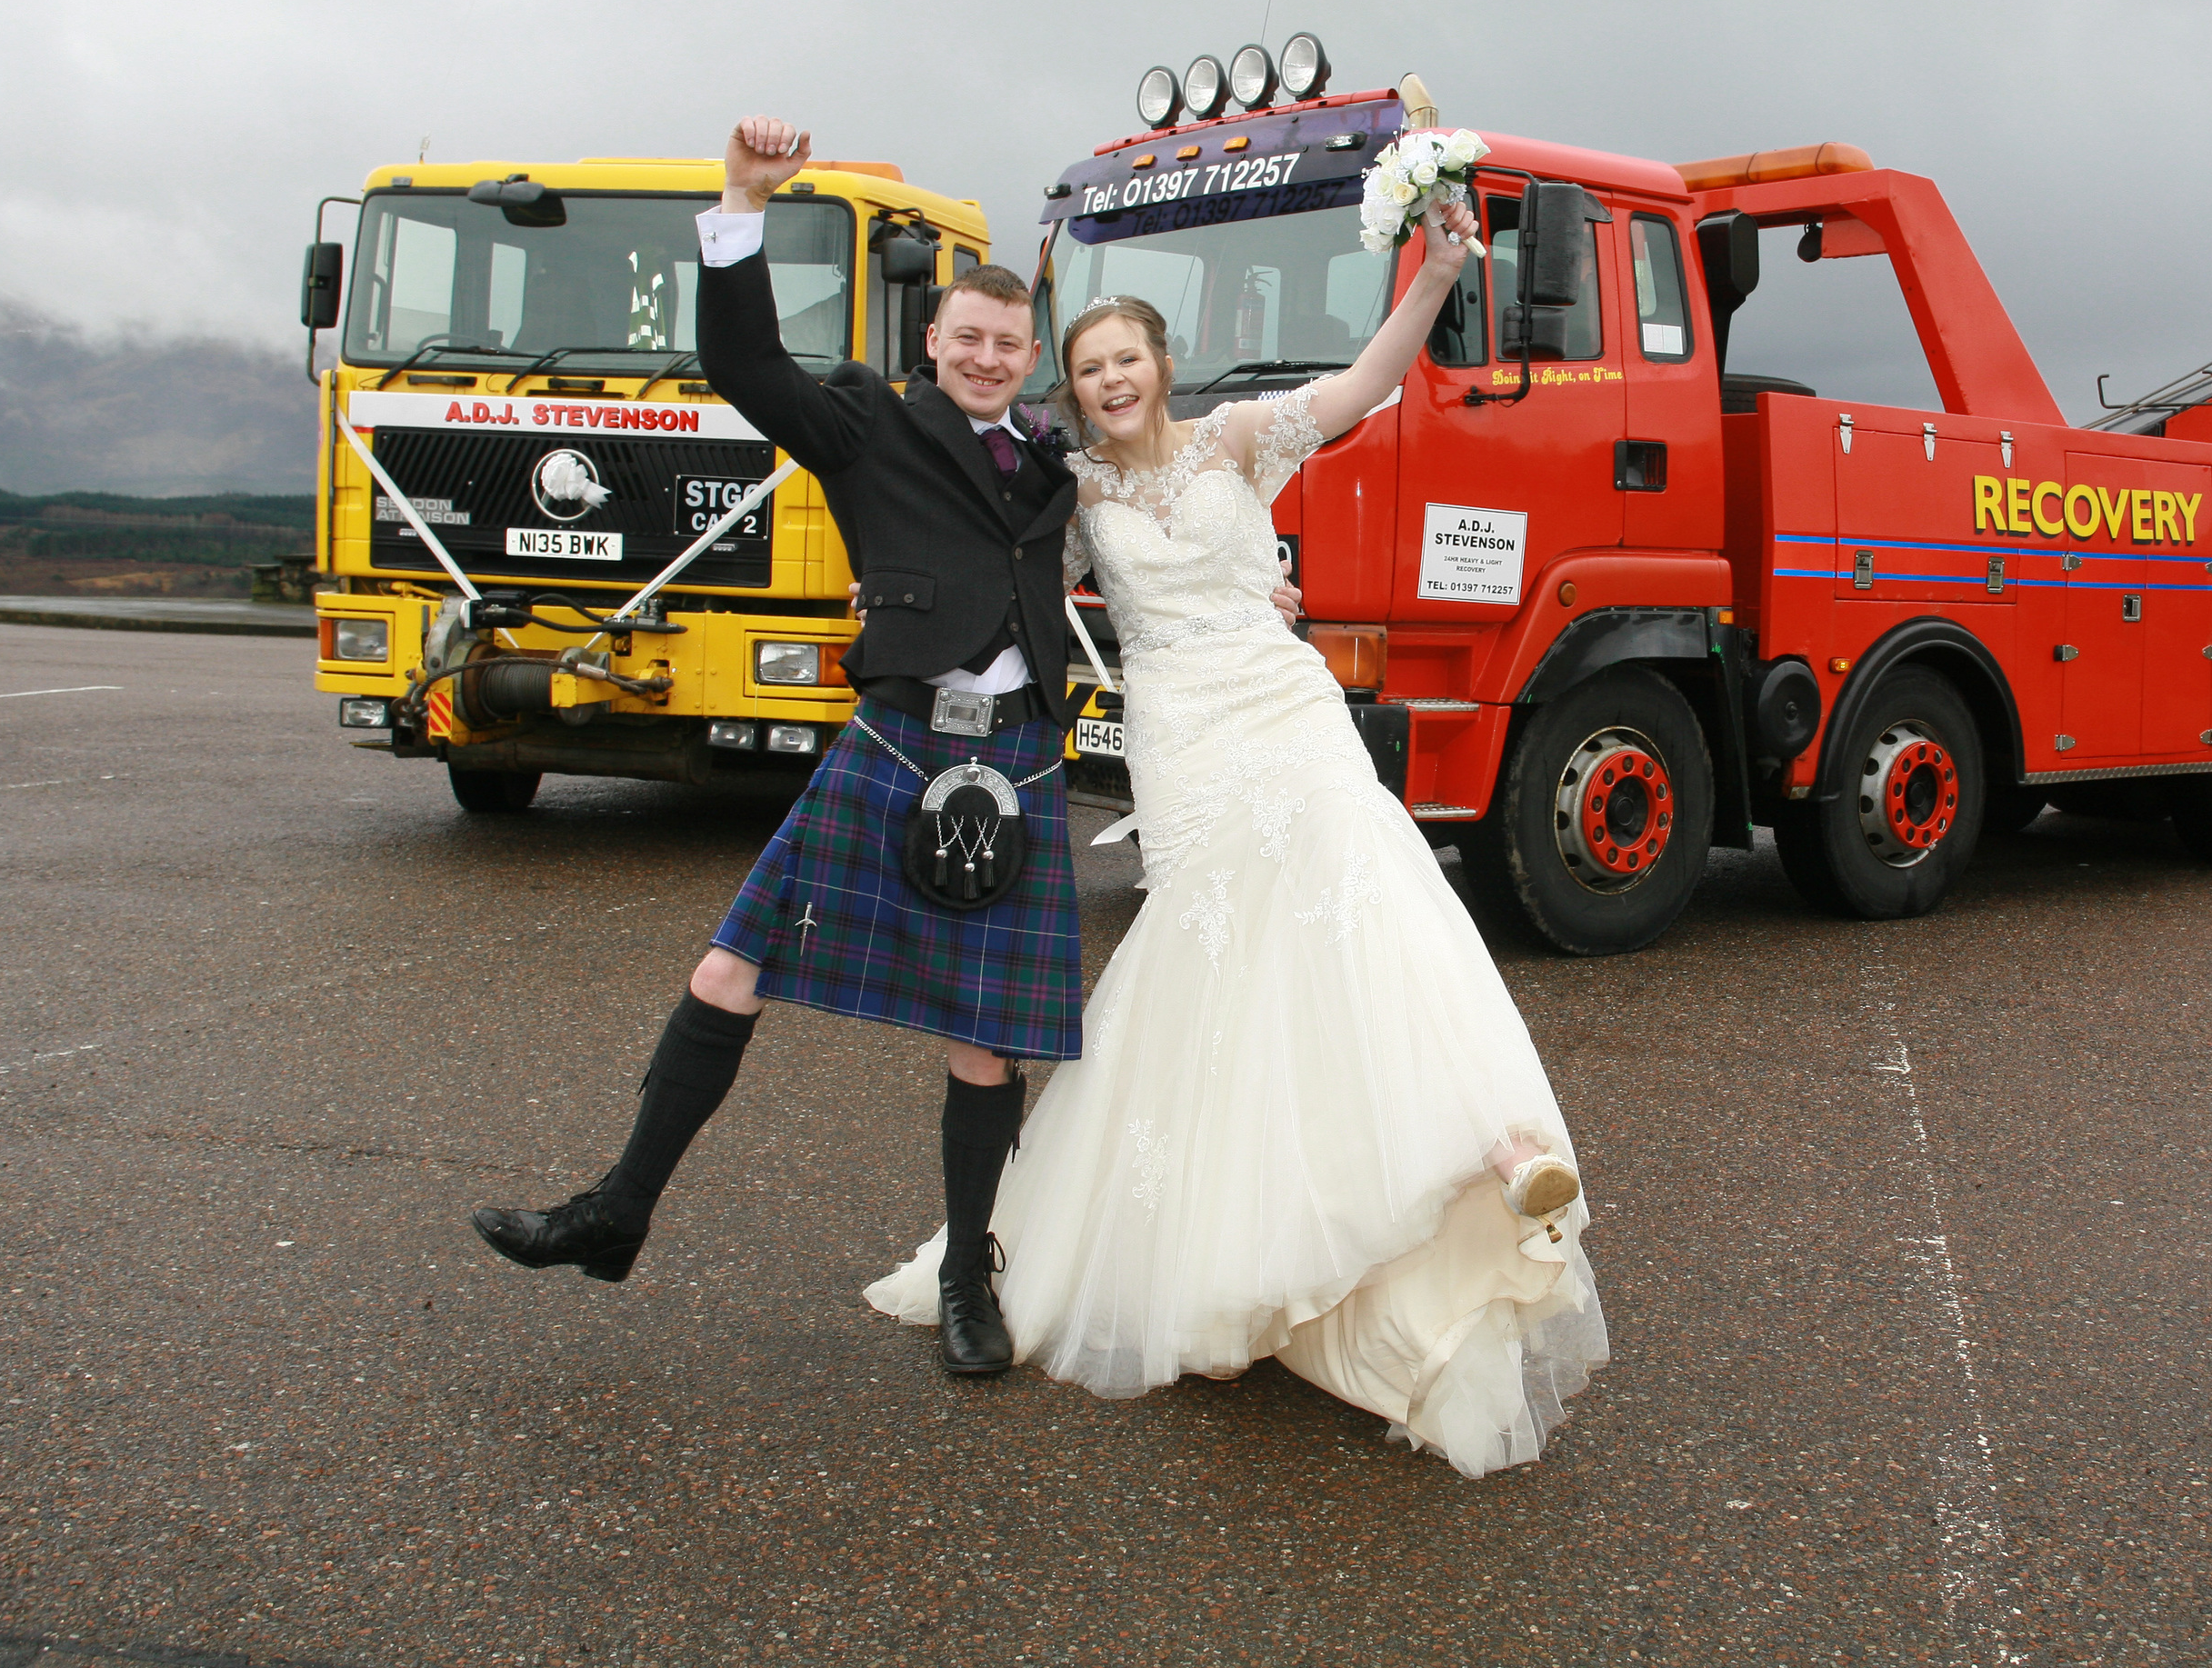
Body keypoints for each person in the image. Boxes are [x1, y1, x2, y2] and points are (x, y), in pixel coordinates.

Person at [866, 196, 1609, 1476]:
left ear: (1161, 363)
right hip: (1183, 734)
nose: (1108, 381)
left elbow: (1374, 384)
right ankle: (1241, 1242)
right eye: (1087, 367)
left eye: (1126, 360)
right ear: (1076, 386)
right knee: (1223, 963)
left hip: (1282, 701)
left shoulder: (1240, 441)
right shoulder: (1071, 483)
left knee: (1370, 891)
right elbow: (1000, 563)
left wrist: (1433, 272)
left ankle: (1494, 1142)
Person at [471, 116, 1086, 1377]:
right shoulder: (870, 422)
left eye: (1007, 345)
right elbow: (745, 363)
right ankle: (616, 1212)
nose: (985, 357)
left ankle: (970, 1275)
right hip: (896, 739)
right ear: (934, 342)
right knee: (725, 977)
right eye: (966, 337)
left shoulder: (1059, 459)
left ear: (1032, 360)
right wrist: (740, 205)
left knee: (986, 1037)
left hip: (1015, 757)